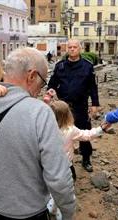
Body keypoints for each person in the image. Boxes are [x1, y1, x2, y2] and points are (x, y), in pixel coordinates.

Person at [0, 47, 76, 220]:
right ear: (32, 76)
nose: (40, 91)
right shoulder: (40, 113)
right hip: (26, 212)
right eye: (42, 84)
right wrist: (67, 211)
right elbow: (58, 178)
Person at [47, 100, 109, 219]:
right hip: (66, 168)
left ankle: (52, 207)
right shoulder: (70, 130)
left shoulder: (45, 129)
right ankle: (63, 214)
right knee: (67, 192)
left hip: (49, 167)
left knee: (52, 189)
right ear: (67, 115)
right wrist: (101, 129)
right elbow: (87, 135)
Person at [47, 39, 99, 172]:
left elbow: (93, 87)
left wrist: (94, 104)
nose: (72, 49)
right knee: (61, 133)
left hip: (80, 106)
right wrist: (51, 91)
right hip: (63, 107)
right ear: (67, 49)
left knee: (84, 132)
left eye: (75, 47)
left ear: (80, 49)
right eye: (69, 47)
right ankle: (61, 160)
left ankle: (86, 158)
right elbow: (52, 84)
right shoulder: (60, 66)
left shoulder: (87, 66)